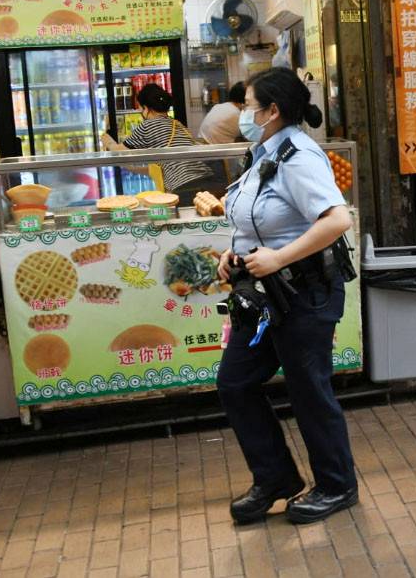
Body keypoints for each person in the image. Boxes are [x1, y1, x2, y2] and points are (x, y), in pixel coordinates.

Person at [216, 67, 357, 525]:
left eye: (248, 105)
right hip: (264, 296)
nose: (242, 114)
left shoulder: (299, 156)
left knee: (308, 390)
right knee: (235, 382)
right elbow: (257, 218)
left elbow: (337, 220)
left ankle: (337, 486)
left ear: (272, 111)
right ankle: (277, 478)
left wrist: (279, 258)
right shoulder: (260, 153)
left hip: (306, 292)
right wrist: (233, 255)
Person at [100, 84, 218, 205]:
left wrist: (105, 138)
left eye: (140, 108)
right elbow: (167, 166)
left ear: (146, 108)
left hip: (184, 187)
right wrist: (133, 169)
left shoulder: (147, 126)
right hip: (208, 180)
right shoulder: (176, 124)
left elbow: (119, 152)